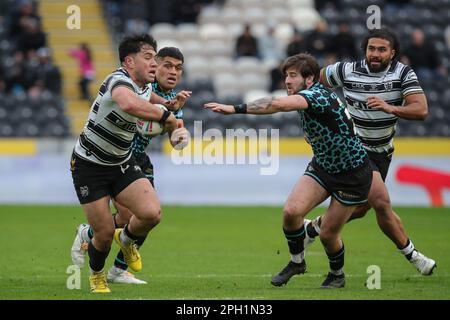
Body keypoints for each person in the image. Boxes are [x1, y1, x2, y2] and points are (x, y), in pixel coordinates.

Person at [205, 53, 373, 288]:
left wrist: (235, 109)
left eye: (293, 75)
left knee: (328, 235)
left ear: (310, 79)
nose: (287, 81)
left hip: (352, 174)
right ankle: (297, 262)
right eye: (286, 76)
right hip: (323, 166)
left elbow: (276, 104)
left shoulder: (315, 96)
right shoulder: (307, 95)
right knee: (291, 212)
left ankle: (337, 274)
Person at [305, 28, 436, 276]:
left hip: (382, 152)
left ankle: (312, 229)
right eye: (371, 49)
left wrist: (390, 107)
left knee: (363, 208)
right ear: (365, 50)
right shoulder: (346, 70)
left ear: (392, 53)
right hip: (353, 148)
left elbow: (421, 110)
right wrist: (316, 119)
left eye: (381, 50)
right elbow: (312, 87)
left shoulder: (403, 74)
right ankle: (414, 257)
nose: (375, 54)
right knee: (381, 202)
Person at [70, 34, 185, 293]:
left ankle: (126, 240)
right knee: (102, 234)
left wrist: (168, 105)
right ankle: (97, 274)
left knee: (151, 213)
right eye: (148, 58)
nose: (154, 63)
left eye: (155, 58)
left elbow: (149, 99)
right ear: (129, 62)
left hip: (122, 162)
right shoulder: (118, 81)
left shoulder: (145, 87)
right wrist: (166, 115)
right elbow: (128, 103)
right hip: (89, 166)